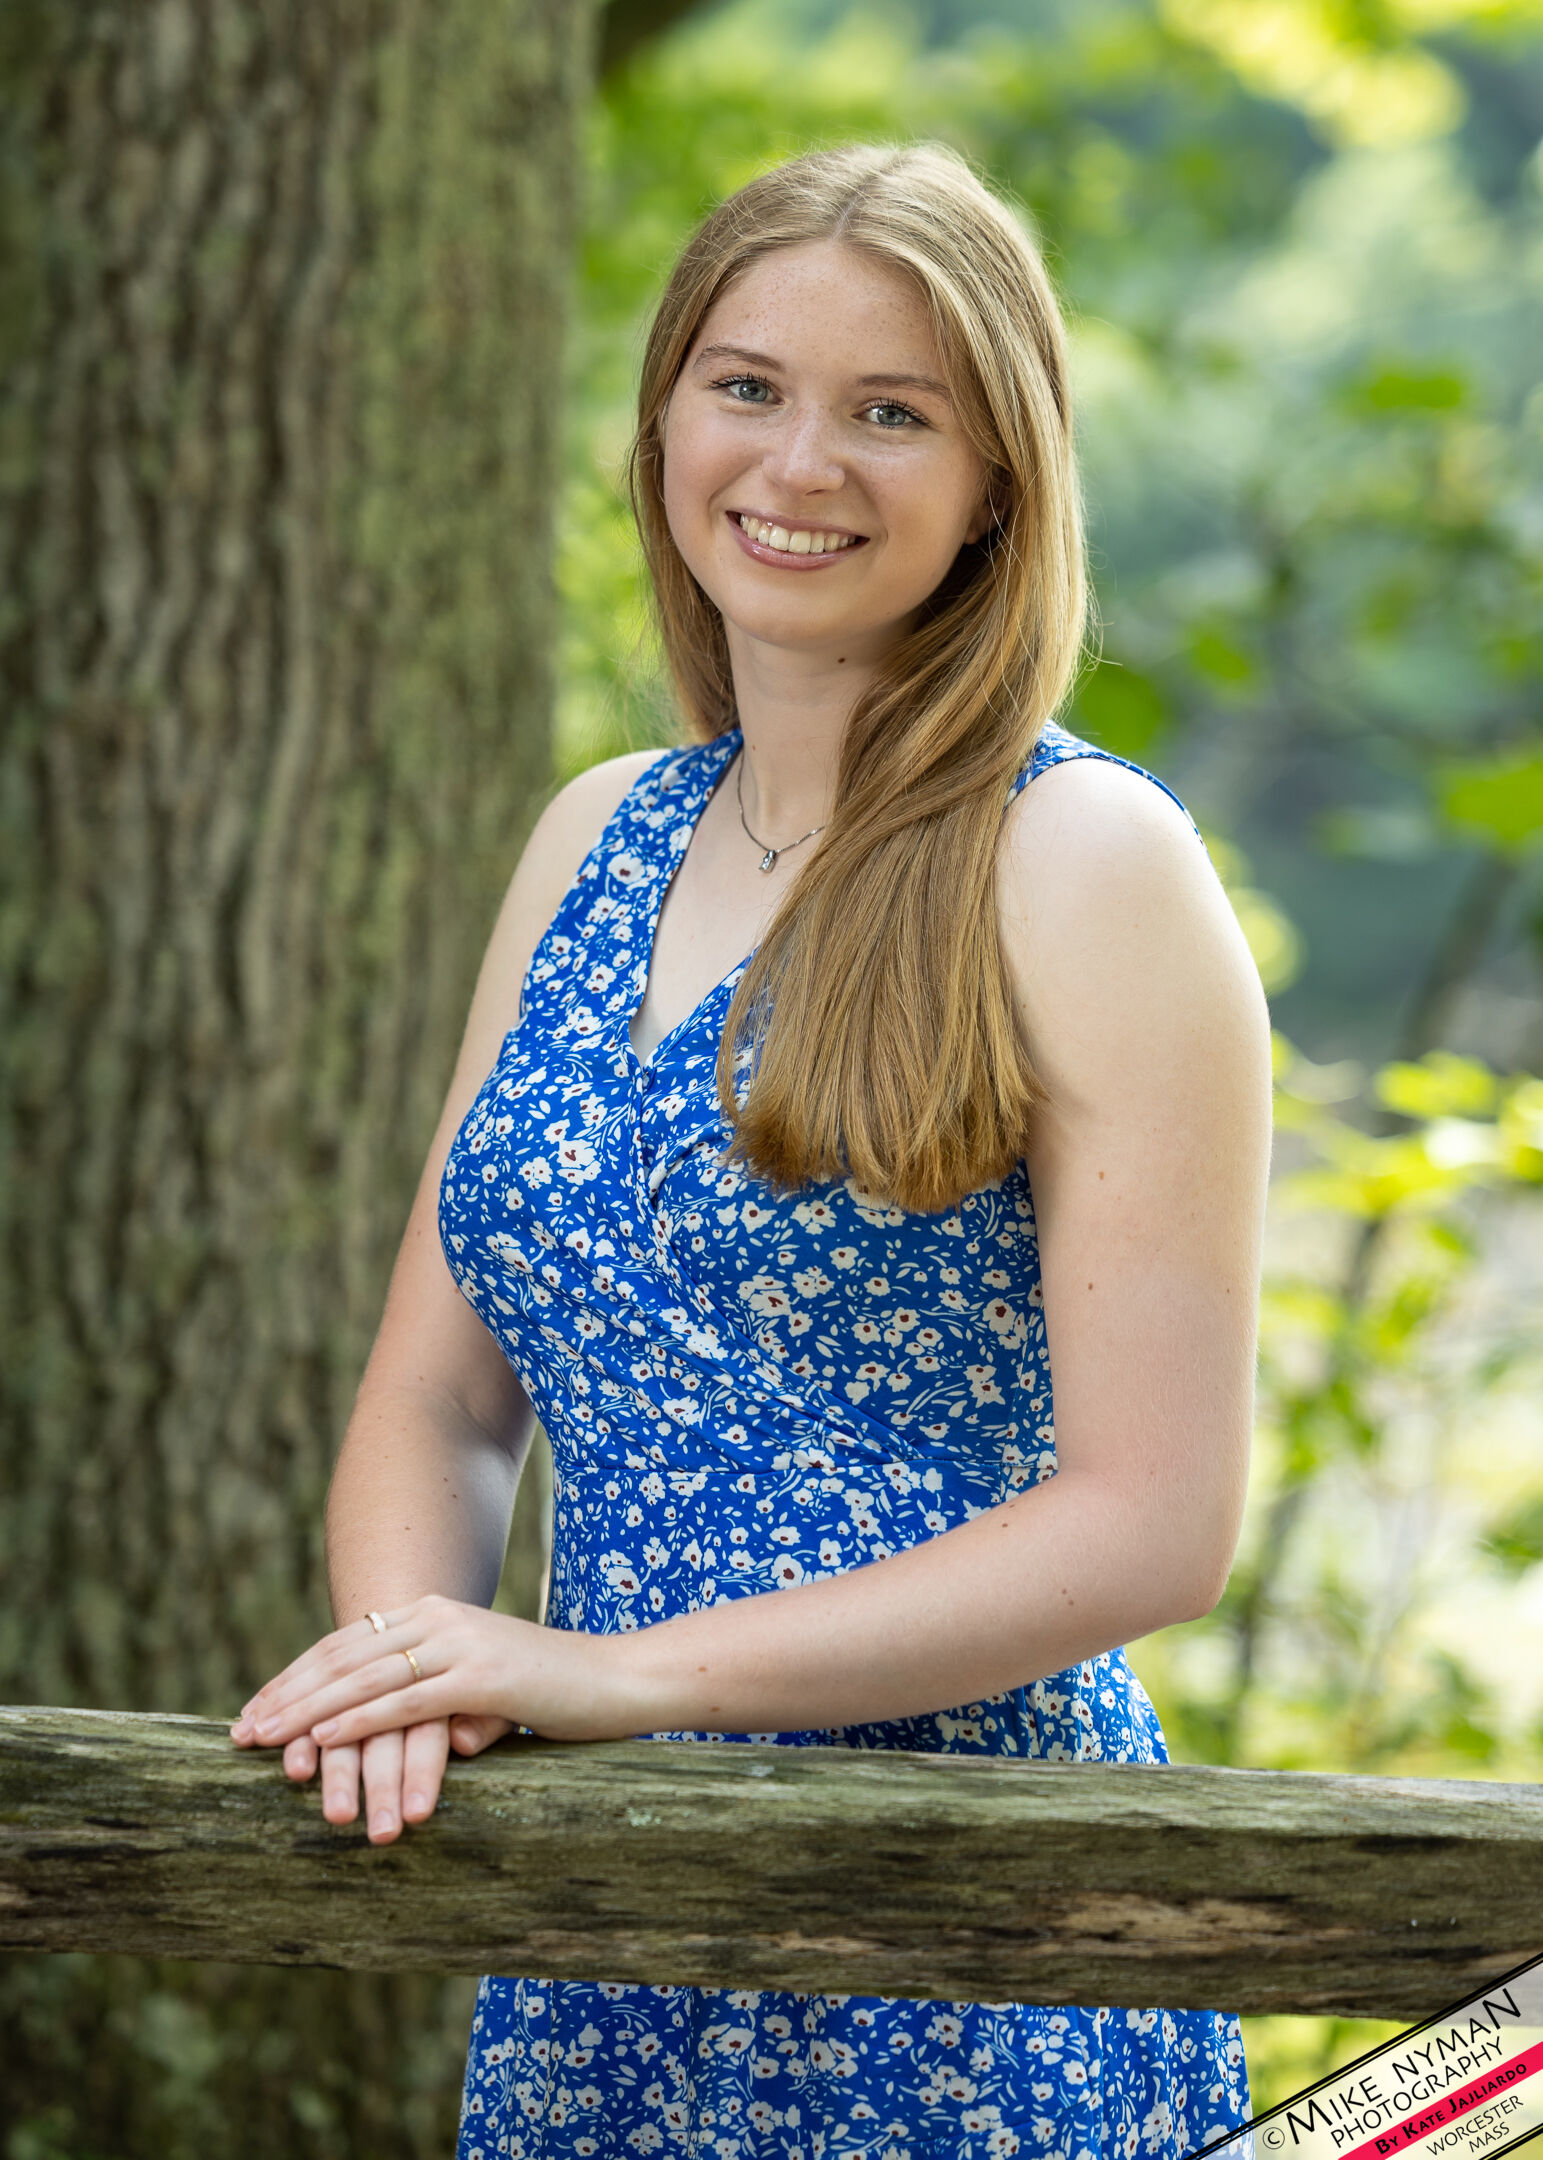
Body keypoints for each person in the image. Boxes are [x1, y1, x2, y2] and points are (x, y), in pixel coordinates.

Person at [231, 141, 1271, 2160]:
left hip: (962, 1939)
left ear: (997, 483)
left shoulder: (1084, 861)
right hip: (600, 1923)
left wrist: (601, 1672)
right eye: (747, 385)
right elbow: (443, 1402)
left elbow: (1153, 1522)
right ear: (664, 422)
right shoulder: (591, 835)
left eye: (892, 412)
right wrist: (417, 1671)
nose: (800, 461)